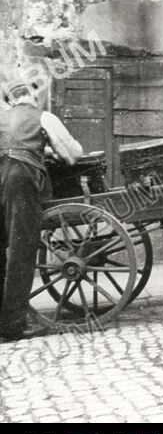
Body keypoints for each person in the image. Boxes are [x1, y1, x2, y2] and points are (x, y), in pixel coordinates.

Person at [0, 73, 83, 342]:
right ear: (32, 95)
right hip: (19, 181)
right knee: (22, 251)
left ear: (9, 100)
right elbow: (72, 155)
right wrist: (46, 151)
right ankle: (12, 327)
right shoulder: (43, 117)